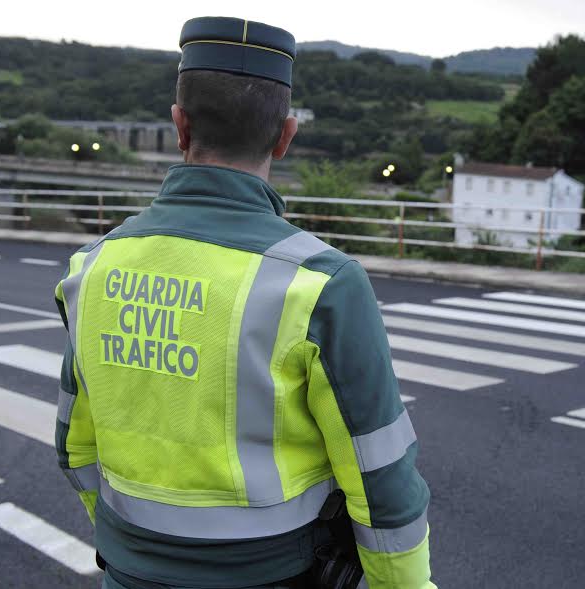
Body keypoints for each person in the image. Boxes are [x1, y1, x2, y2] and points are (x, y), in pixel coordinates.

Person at [53, 16, 434, 589]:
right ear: (285, 135)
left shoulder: (91, 267)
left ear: (179, 126)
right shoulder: (320, 282)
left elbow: (74, 446)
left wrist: (136, 550)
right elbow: (382, 479)